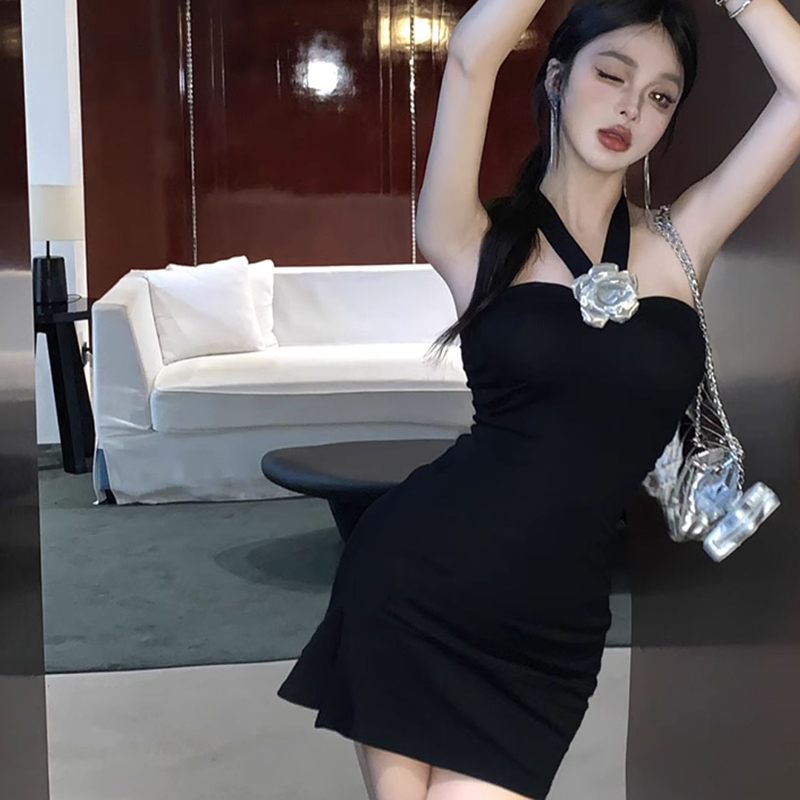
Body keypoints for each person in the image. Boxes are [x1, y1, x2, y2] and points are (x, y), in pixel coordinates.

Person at [277, 0, 800, 797]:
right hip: (418, 580)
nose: (631, 107)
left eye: (660, 96)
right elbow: (471, 54)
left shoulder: (681, 239)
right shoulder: (470, 237)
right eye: (611, 75)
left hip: (549, 629)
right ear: (556, 78)